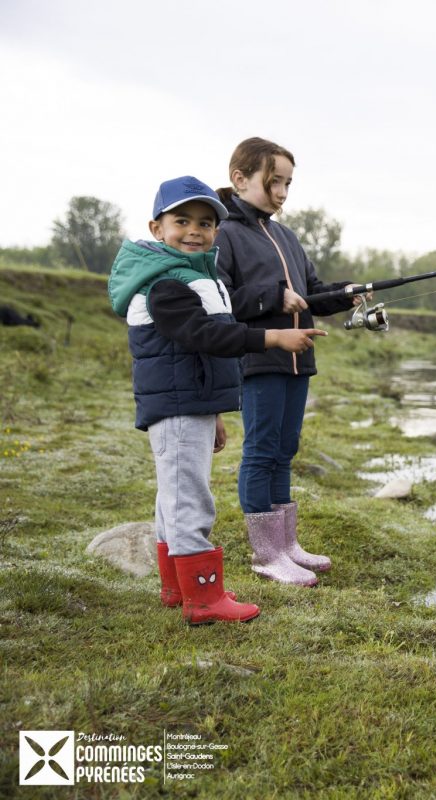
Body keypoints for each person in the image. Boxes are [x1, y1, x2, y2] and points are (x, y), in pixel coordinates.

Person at [108, 176, 327, 624]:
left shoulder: (193, 275)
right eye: (182, 221)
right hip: (176, 405)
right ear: (156, 228)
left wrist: (213, 413)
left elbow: (198, 353)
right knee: (189, 498)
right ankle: (204, 599)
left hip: (189, 403)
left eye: (206, 224)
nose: (195, 231)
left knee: (174, 496)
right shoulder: (165, 283)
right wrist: (272, 337)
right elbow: (206, 335)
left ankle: (176, 587)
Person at [214, 137, 365, 586]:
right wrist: (273, 296)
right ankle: (265, 554)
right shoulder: (226, 235)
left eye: (288, 184)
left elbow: (313, 290)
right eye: (273, 182)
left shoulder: (287, 236)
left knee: (285, 450)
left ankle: (286, 545)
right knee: (260, 452)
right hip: (259, 359)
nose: (281, 193)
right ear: (240, 179)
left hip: (300, 362)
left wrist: (346, 292)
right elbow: (222, 299)